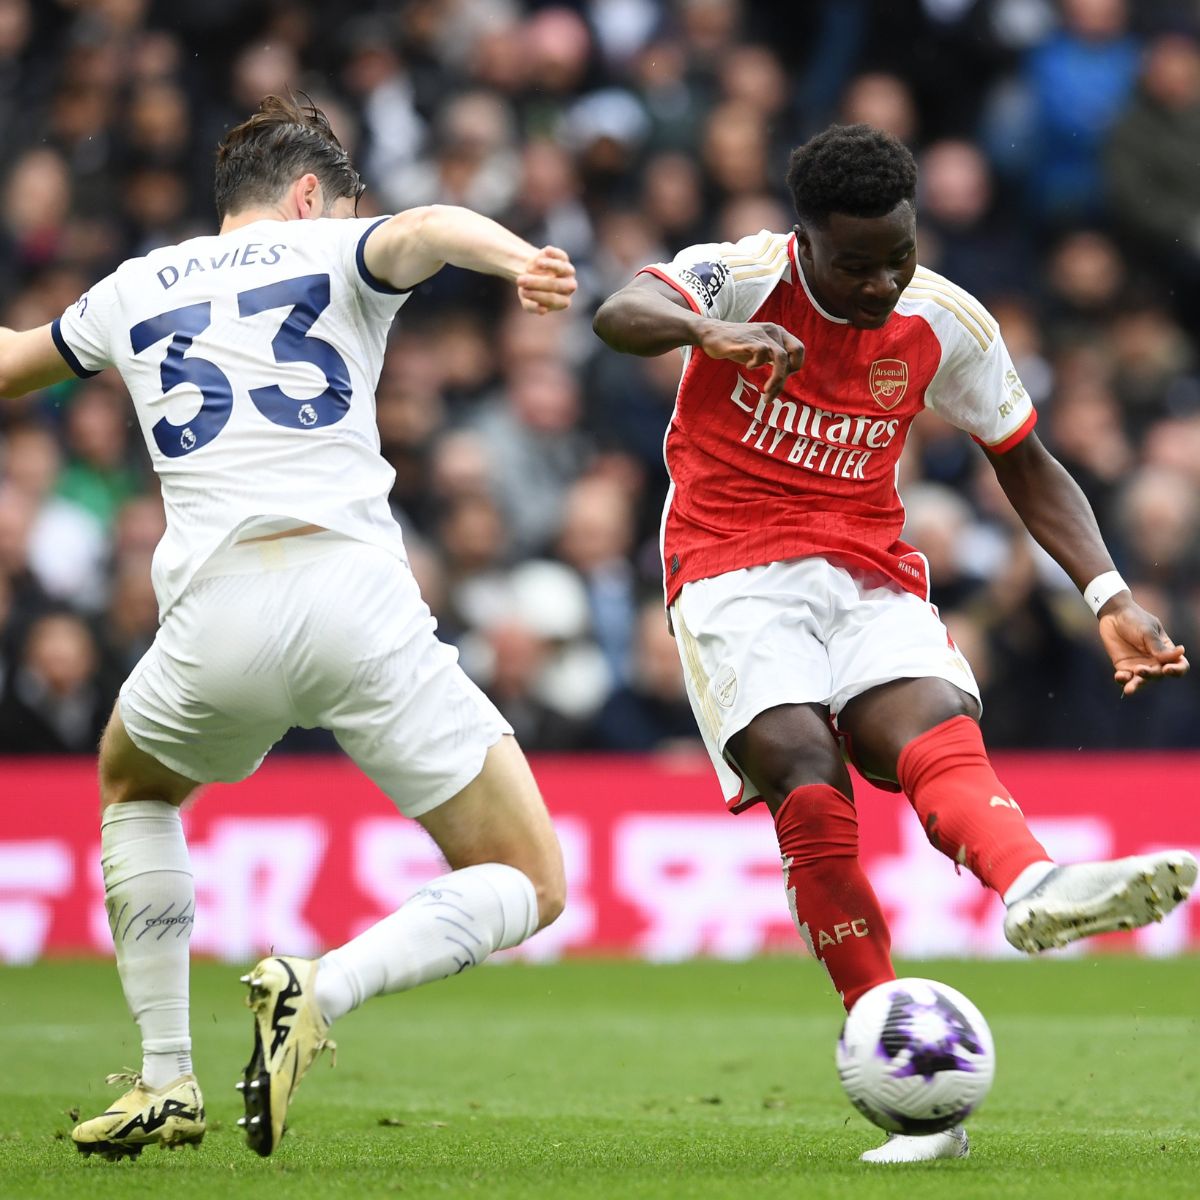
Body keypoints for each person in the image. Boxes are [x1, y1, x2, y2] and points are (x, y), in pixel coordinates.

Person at [592, 123, 1197, 1165]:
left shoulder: (944, 319)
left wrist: (1107, 594)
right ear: (804, 242)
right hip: (730, 569)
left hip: (865, 567)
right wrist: (710, 336)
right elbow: (620, 313)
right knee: (806, 769)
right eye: (856, 263)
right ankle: (902, 1066)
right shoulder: (735, 275)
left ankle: (1033, 885)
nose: (881, 283)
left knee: (922, 724)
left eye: (898, 257)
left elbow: (1026, 459)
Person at [0, 95, 576, 1161]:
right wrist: (515, 259)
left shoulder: (131, 288)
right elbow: (426, 230)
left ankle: (166, 1078)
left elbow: (9, 363)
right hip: (353, 598)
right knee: (531, 878)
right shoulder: (334, 244)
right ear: (311, 196)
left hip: (213, 613)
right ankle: (323, 984)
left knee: (135, 783)